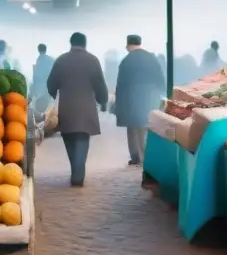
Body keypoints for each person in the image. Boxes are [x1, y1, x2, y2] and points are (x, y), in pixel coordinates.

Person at [46, 32, 109, 187]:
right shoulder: (92, 60)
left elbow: (50, 83)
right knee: (82, 140)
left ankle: (76, 171)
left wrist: (54, 93)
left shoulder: (61, 60)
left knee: (69, 140)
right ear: (84, 44)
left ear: (71, 43)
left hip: (67, 108)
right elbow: (100, 84)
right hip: (86, 108)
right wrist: (103, 101)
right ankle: (78, 175)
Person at [114, 35, 165, 166]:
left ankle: (136, 157)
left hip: (132, 101)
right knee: (147, 128)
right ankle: (148, 156)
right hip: (150, 99)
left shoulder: (126, 61)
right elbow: (160, 79)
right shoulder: (151, 58)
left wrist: (118, 105)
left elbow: (121, 85)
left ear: (128, 45)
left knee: (132, 130)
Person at [32, 43, 54, 109]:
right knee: (49, 105)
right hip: (49, 84)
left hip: (40, 85)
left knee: (41, 105)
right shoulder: (51, 59)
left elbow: (35, 75)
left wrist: (34, 88)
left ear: (38, 50)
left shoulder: (39, 60)